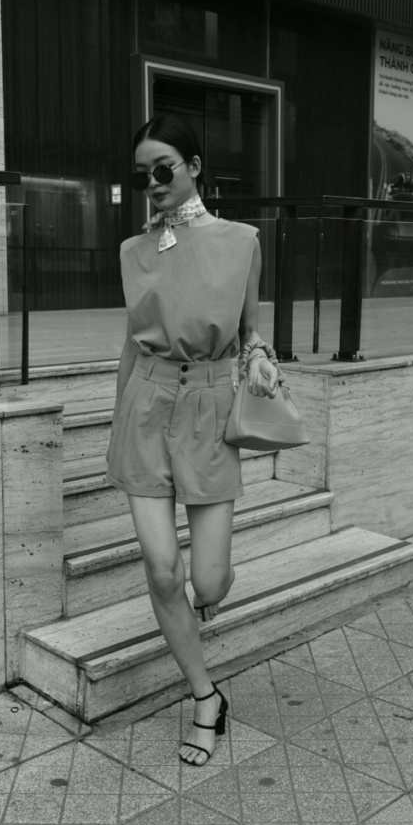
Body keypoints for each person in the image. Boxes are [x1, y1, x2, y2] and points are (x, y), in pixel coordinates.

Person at [106, 115, 280, 767]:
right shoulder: (133, 251)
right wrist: (116, 424)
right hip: (146, 405)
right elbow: (129, 342)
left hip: (208, 406)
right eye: (141, 174)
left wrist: (258, 357)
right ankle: (205, 697)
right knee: (160, 570)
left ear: (194, 166)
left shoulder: (241, 243)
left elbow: (250, 329)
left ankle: (203, 607)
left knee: (207, 581)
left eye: (163, 169)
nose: (151, 184)